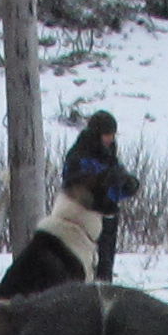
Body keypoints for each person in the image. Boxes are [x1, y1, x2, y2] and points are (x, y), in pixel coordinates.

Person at [61, 111, 138, 280]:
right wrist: (103, 180)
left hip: (107, 218)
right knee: (83, 266)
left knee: (104, 269)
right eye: (107, 134)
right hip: (84, 219)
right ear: (97, 134)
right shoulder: (79, 155)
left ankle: (102, 297)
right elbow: (72, 186)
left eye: (112, 135)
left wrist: (127, 186)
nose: (111, 139)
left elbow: (115, 187)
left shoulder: (109, 156)